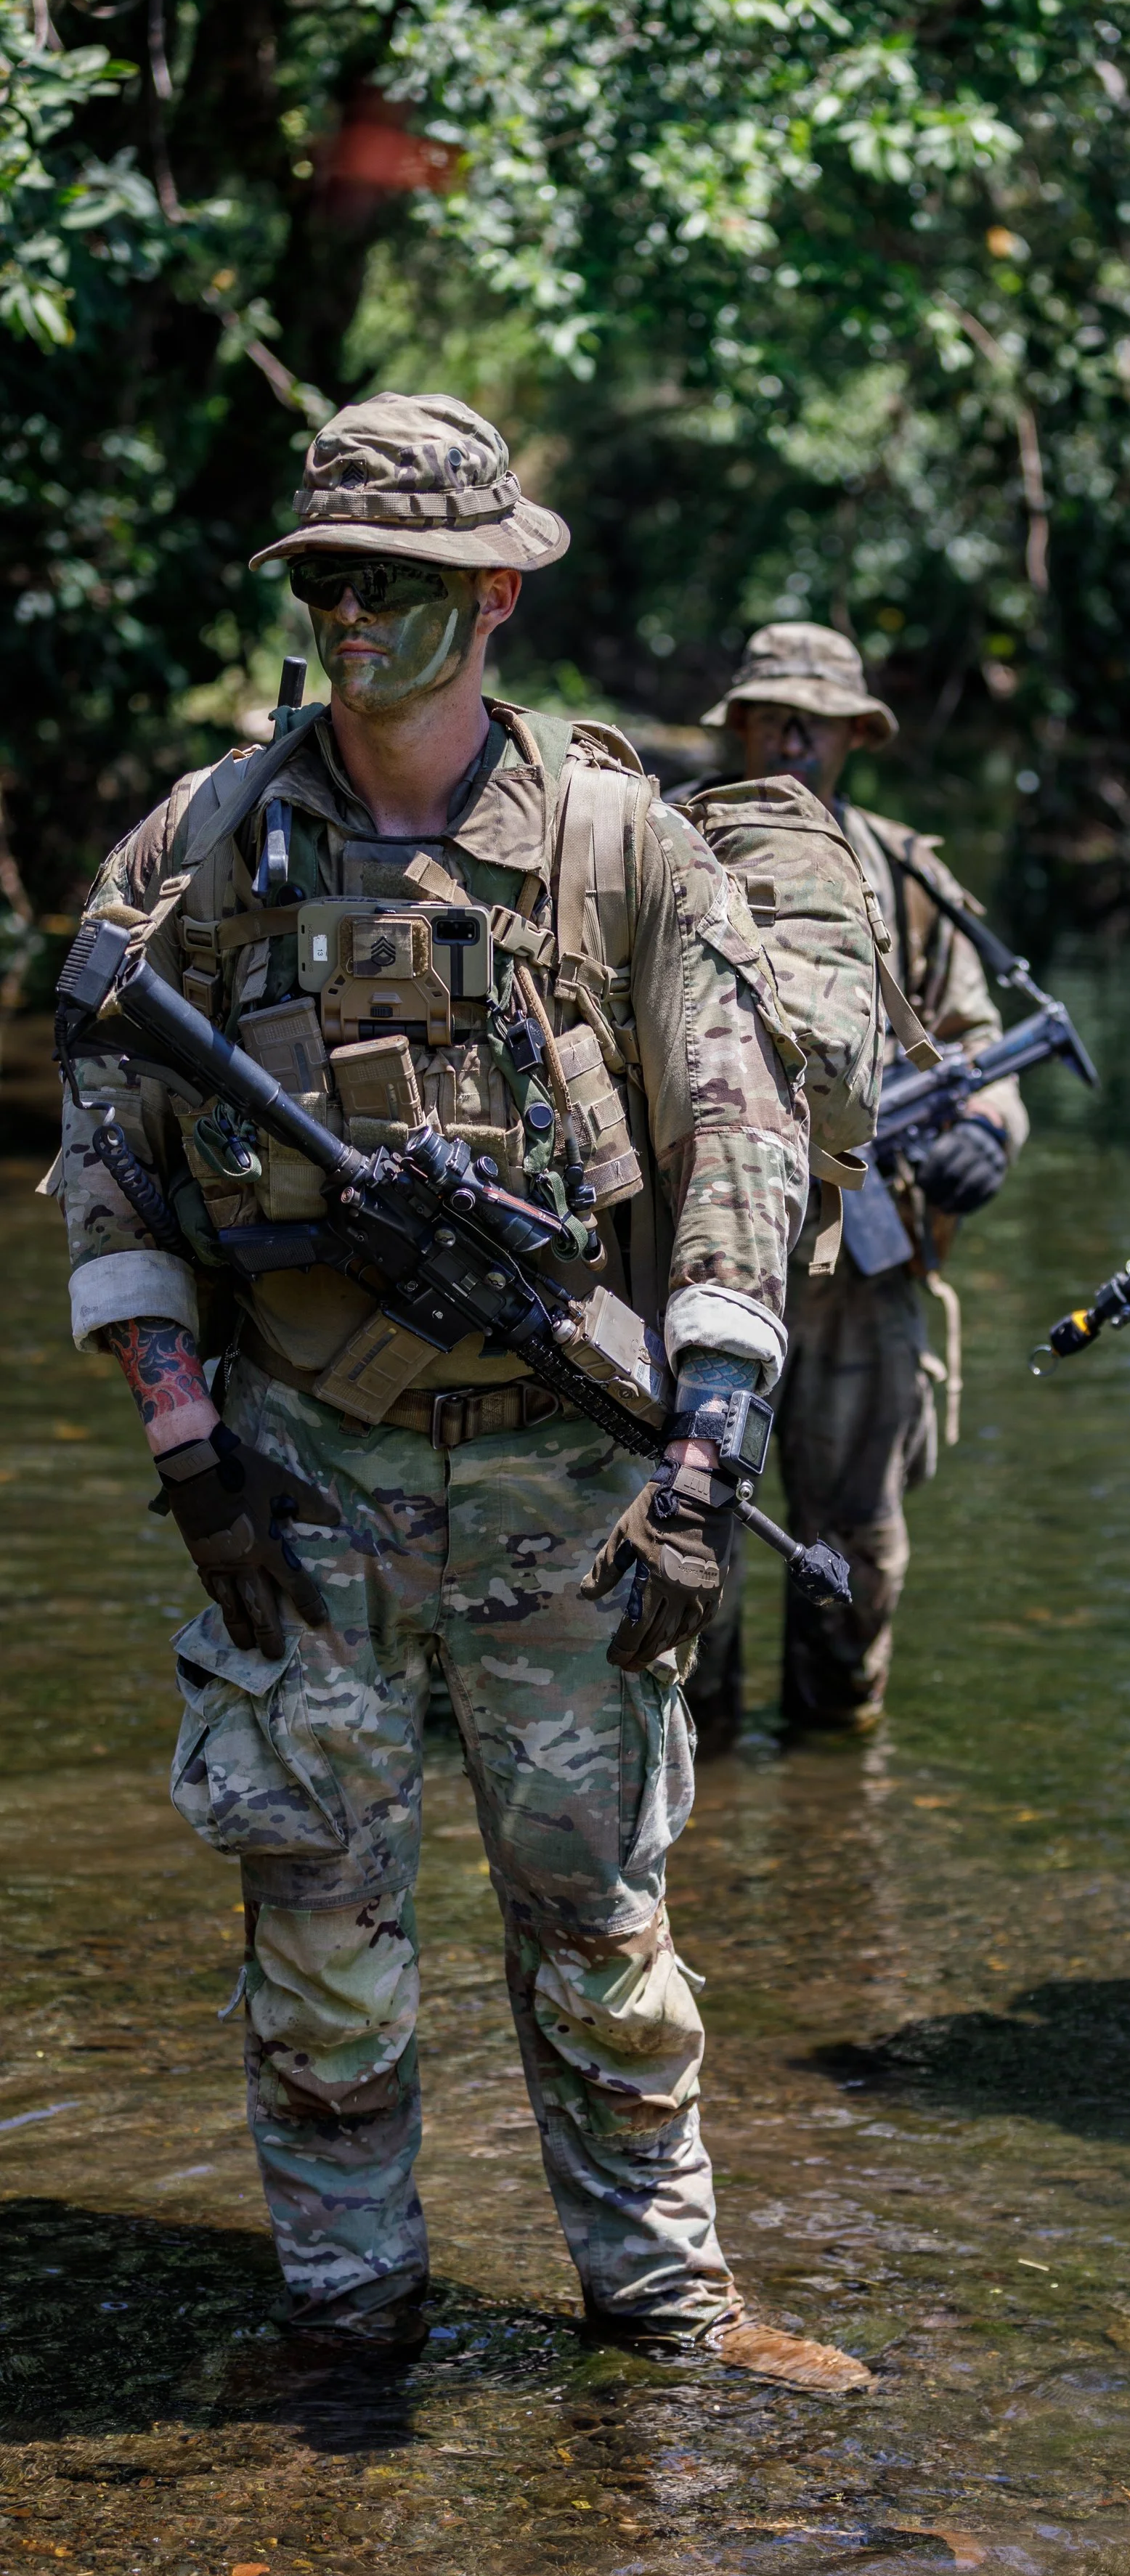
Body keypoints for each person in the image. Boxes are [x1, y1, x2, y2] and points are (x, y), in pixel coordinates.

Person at [52, 393, 862, 2387]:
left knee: (600, 1923)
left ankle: (667, 2313)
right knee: (318, 1925)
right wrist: (184, 1454)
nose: (353, 614)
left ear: (496, 593)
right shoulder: (206, 843)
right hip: (301, 1472)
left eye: (398, 581)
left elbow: (743, 1139)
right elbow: (112, 1148)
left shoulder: (618, 844)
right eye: (326, 577)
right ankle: (345, 2312)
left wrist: (705, 1449)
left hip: (569, 1480)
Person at [686, 623, 1028, 1740]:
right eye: (770, 715)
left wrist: (988, 1129)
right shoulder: (661, 842)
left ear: (855, 735)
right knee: (689, 1539)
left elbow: (982, 1049)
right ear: (736, 722)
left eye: (814, 720)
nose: (790, 738)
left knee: (859, 1548)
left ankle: (839, 1781)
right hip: (686, 1261)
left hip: (862, 1270)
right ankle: (701, 1774)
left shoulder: (906, 876)